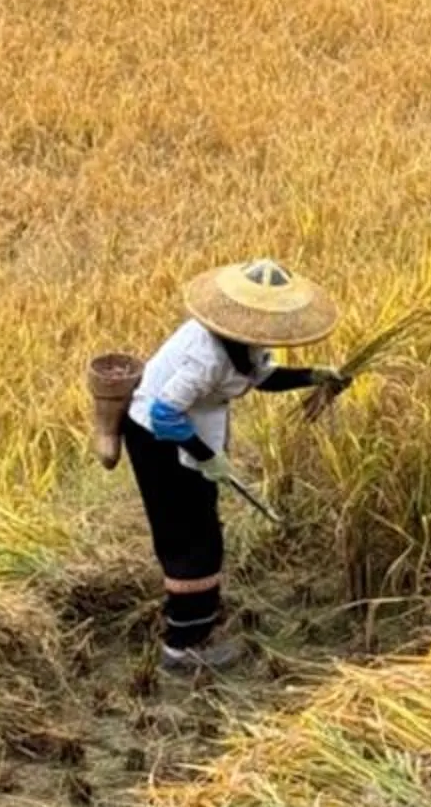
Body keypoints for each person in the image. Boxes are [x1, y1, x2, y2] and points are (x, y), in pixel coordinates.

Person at [122, 258, 344, 674]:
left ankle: (192, 616)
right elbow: (164, 413)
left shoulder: (244, 341)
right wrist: (208, 459)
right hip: (156, 441)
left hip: (188, 435)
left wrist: (314, 376)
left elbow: (262, 377)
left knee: (202, 528)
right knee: (190, 540)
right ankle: (183, 647)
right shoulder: (203, 355)